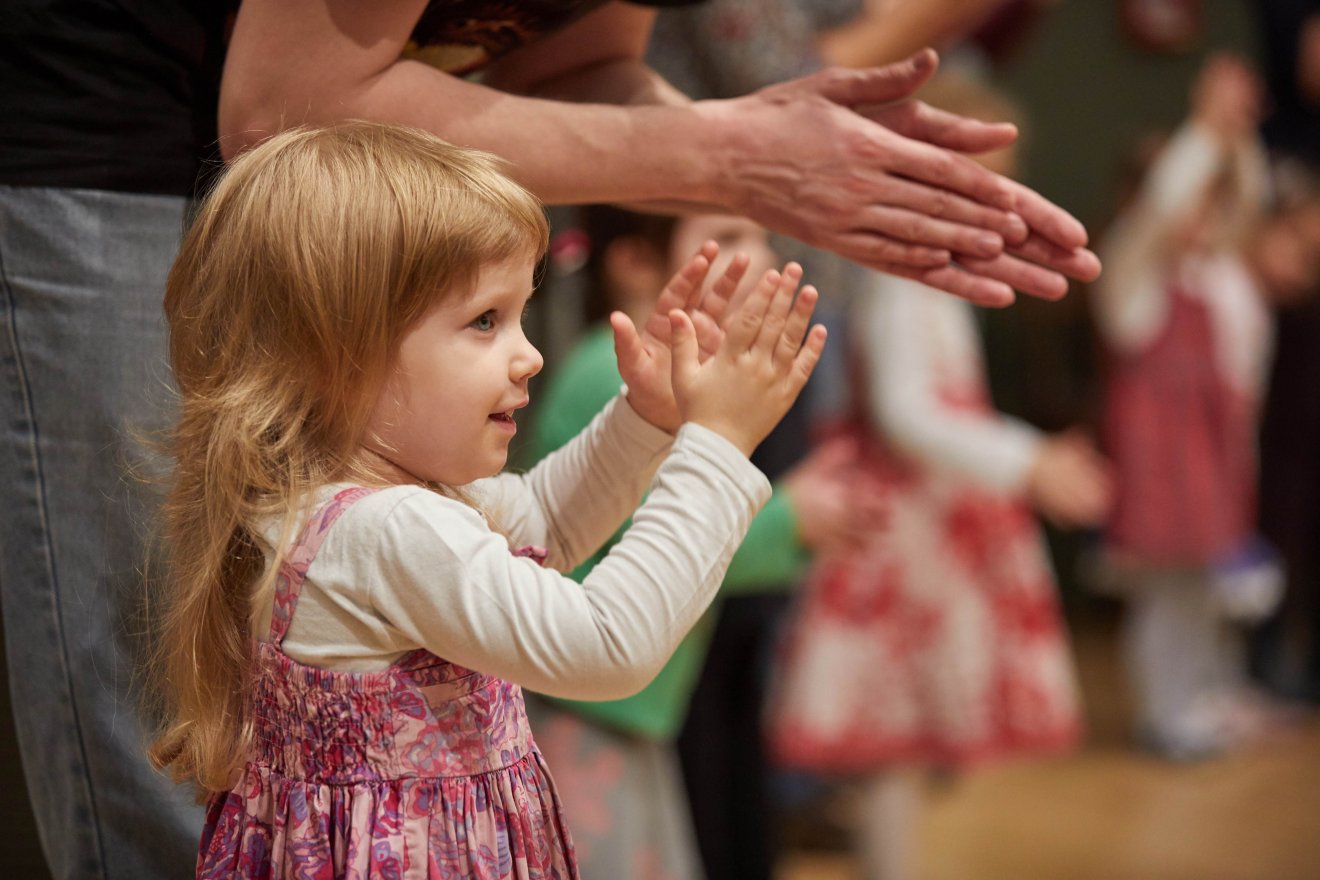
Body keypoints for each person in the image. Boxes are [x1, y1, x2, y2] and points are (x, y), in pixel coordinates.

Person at [148, 120, 826, 877]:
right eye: (484, 321)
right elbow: (608, 644)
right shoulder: (386, 530)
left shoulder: (361, 506)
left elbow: (547, 522)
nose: (529, 353)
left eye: (521, 315)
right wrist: (717, 447)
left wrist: (650, 418)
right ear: (337, 355)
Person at [766, 73, 1112, 880]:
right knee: (891, 737)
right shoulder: (901, 270)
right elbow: (906, 409)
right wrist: (1026, 461)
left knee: (908, 743)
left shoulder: (932, 268)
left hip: (936, 519)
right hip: (903, 528)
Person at [219, 1, 1103, 306]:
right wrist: (727, 157)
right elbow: (282, 112)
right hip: (126, 177)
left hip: (355, 236)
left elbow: (581, 71)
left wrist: (790, 180)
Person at [523, 206, 882, 879]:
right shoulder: (610, 369)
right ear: (635, 262)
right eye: (736, 236)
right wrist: (791, 519)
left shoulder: (640, 367)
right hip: (586, 713)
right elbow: (654, 548)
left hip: (629, 710)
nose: (768, 257)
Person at [1093, 55, 1320, 759]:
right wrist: (1200, 132)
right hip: (1164, 469)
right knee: (1166, 597)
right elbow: (1164, 209)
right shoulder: (1135, 282)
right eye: (1195, 196)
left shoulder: (1222, 274)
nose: (1203, 213)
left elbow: (1247, 200)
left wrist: (1231, 134)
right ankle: (1167, 711)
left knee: (1205, 594)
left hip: (1214, 462)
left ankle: (1204, 695)